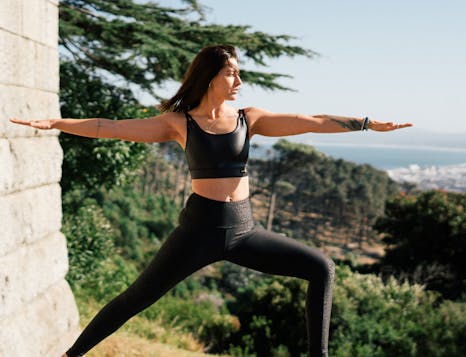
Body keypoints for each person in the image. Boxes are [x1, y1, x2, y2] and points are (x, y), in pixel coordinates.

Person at [10, 44, 412, 357]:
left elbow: (312, 122)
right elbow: (109, 128)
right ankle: (72, 353)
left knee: (321, 268)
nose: (238, 80)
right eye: (231, 72)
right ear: (209, 76)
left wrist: (365, 123)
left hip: (244, 230)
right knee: (135, 298)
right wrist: (57, 123)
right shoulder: (178, 122)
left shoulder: (248, 118)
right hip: (199, 232)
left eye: (238, 72)